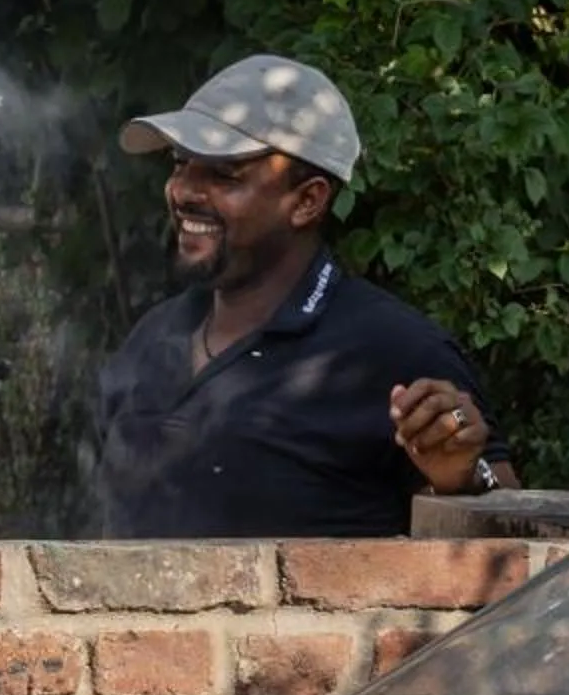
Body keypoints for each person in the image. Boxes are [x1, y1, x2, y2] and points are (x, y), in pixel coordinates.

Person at [93, 53, 517, 538]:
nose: (183, 190)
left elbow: (508, 542)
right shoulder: (152, 337)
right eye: (180, 163)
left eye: (224, 173)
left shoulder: (394, 352)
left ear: (307, 200)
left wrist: (463, 476)